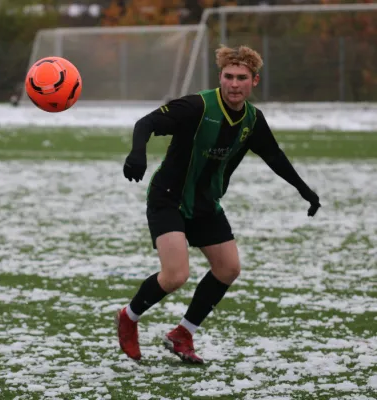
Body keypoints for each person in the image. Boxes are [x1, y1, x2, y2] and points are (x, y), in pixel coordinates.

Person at [116, 45, 321, 364]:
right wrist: (137, 153)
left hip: (206, 202)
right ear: (220, 77)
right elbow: (145, 123)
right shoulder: (196, 106)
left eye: (242, 78)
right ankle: (129, 317)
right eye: (228, 76)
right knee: (175, 275)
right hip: (168, 196)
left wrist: (304, 190)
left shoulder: (252, 120)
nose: (234, 84)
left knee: (228, 268)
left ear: (254, 81)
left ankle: (183, 334)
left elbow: (274, 156)